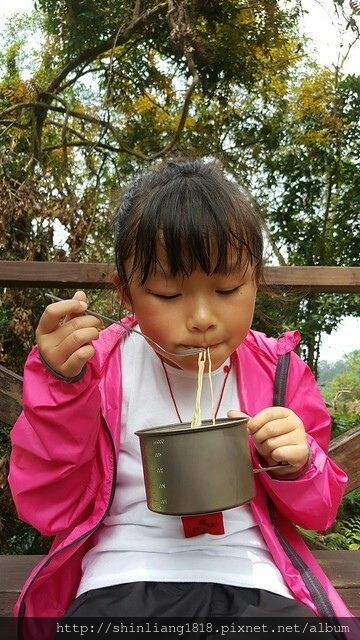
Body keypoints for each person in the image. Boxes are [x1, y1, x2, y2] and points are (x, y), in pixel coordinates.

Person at [8, 159, 357, 640]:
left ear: (255, 279)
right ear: (125, 293)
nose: (201, 317)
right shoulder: (97, 369)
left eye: (227, 289)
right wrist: (61, 391)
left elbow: (320, 510)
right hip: (123, 574)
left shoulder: (278, 373)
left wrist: (298, 465)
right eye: (169, 294)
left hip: (253, 577)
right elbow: (46, 507)